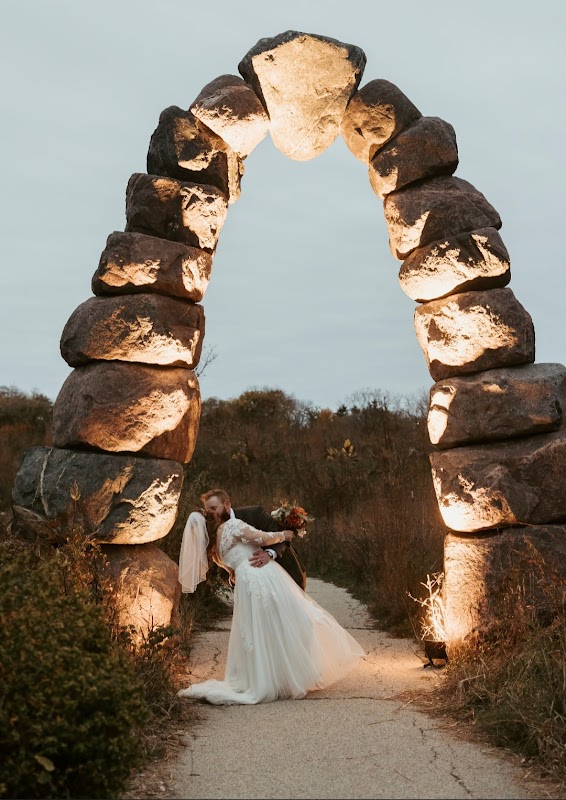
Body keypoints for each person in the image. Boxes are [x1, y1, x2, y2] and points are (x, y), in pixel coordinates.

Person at [177, 503, 365, 705]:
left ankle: (278, 675)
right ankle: (290, 676)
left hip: (249, 585)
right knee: (290, 620)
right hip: (261, 578)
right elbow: (264, 538)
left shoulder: (215, 550)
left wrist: (269, 553)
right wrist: (286, 534)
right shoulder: (229, 528)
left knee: (261, 630)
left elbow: (233, 564)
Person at [201, 489, 306, 590]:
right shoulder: (213, 534)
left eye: (214, 508)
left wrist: (269, 554)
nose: (211, 514)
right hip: (252, 590)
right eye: (208, 511)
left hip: (287, 576)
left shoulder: (255, 513)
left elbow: (283, 535)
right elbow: (222, 568)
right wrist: (232, 580)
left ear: (227, 504)